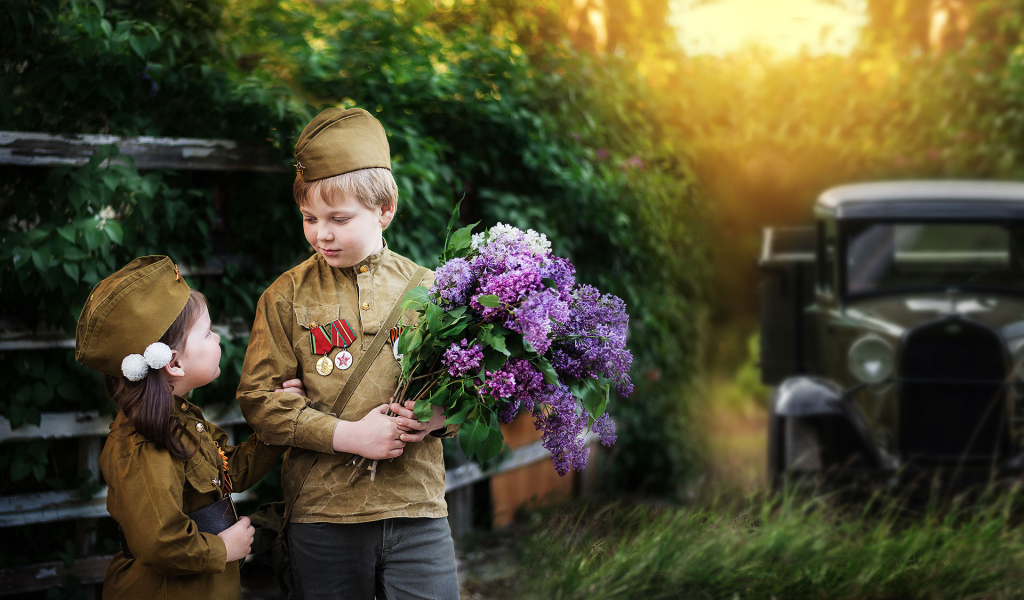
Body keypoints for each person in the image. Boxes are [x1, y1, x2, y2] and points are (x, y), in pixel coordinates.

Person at [236, 106, 461, 600]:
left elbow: (467, 387)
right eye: (309, 219)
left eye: (339, 219)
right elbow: (259, 399)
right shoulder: (284, 295)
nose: (322, 234)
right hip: (323, 516)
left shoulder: (433, 291)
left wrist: (439, 418)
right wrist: (348, 435)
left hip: (417, 510)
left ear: (385, 210)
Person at [76, 255, 302, 599]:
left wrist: (281, 423)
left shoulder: (181, 420)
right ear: (175, 363)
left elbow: (228, 472)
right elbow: (159, 541)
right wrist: (222, 549)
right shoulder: (144, 445)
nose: (218, 338)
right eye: (208, 333)